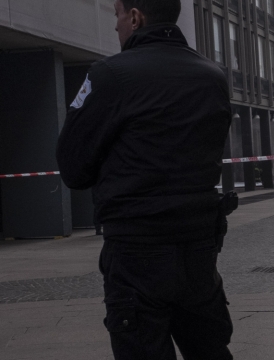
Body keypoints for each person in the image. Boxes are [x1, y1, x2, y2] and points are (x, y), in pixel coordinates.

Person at [56, 1, 234, 359]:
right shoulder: (212, 75)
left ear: (135, 17)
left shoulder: (110, 75)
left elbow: (73, 168)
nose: (115, 26)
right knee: (210, 351)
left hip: (137, 249)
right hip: (199, 247)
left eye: (117, 15)